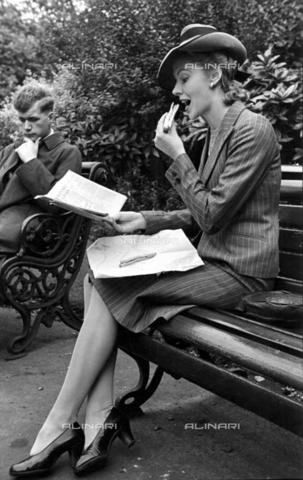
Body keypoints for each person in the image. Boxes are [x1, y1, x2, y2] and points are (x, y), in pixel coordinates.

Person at [9, 24, 281, 477]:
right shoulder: (215, 133)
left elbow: (213, 216)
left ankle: (61, 423)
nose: (177, 91)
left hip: (241, 273)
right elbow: (200, 214)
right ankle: (94, 421)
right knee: (102, 268)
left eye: (183, 79)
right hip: (209, 260)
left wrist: (176, 155)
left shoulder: (253, 130)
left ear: (213, 76)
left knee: (112, 283)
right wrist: (146, 220)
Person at [0, 82, 82, 256]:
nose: (26, 127)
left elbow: (57, 205)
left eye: (33, 119)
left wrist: (30, 160)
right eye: (22, 120)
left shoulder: (67, 153)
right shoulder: (10, 149)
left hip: (28, 228)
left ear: (50, 117)